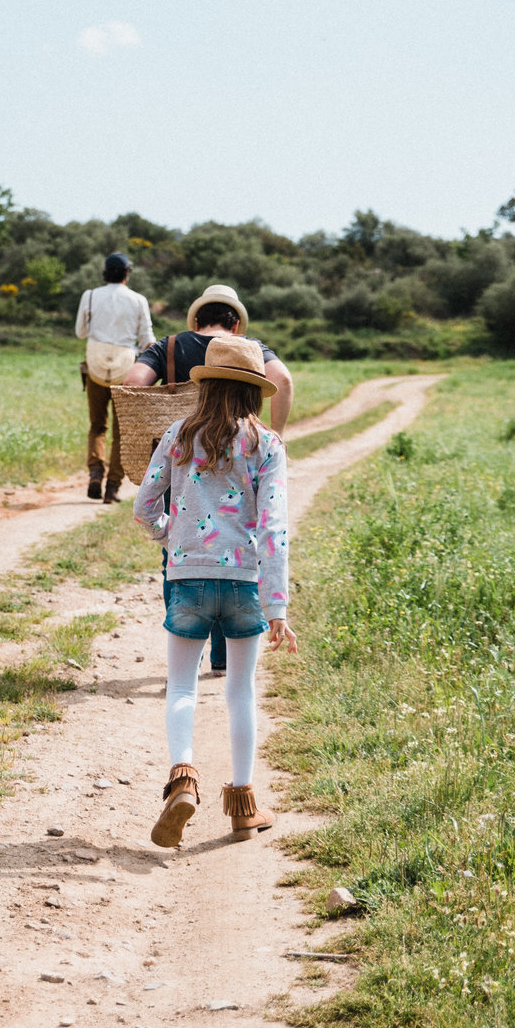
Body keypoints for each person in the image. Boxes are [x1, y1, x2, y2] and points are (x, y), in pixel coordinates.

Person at [130, 336, 299, 848]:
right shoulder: (267, 444)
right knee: (239, 690)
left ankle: (183, 778)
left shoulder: (178, 435)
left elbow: (143, 506)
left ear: (206, 387)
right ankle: (244, 805)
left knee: (182, 687)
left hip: (186, 578)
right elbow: (274, 529)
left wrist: (171, 536)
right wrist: (278, 606)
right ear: (254, 393)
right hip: (245, 580)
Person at [119, 283, 296, 675]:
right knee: (231, 547)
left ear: (197, 319)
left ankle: (189, 644)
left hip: (183, 467)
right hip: (242, 502)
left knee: (182, 557)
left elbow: (132, 382)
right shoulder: (249, 351)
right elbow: (282, 380)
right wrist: (274, 432)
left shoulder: (167, 348)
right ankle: (221, 658)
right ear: (235, 324)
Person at [75, 252, 154, 502]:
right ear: (127, 273)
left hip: (96, 366)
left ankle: (95, 473)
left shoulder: (90, 296)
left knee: (98, 425)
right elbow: (147, 340)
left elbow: (80, 332)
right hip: (125, 369)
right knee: (121, 432)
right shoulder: (138, 300)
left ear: (104, 272)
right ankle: (112, 487)